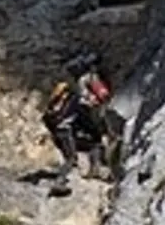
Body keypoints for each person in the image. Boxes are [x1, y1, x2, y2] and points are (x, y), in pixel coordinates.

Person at [42, 52, 115, 191]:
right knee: (71, 158)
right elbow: (98, 101)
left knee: (94, 144)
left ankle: (95, 169)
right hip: (64, 130)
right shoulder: (85, 89)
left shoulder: (73, 93)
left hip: (59, 129)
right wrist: (102, 130)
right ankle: (59, 183)